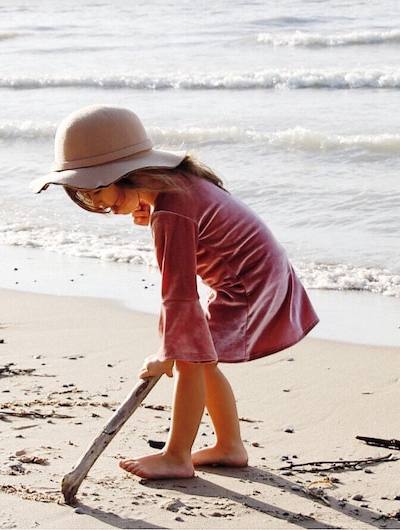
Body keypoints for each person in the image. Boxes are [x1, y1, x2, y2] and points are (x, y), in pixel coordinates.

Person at [30, 104, 319, 480]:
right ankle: (229, 446)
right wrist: (145, 206)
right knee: (202, 358)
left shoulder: (171, 213)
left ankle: (176, 455)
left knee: (190, 358)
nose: (99, 205)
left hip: (248, 286)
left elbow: (179, 296)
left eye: (99, 193)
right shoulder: (178, 189)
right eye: (86, 199)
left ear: (130, 175)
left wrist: (168, 353)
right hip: (265, 274)